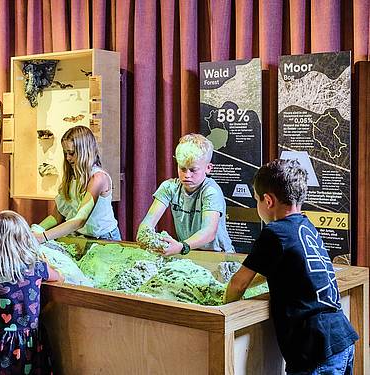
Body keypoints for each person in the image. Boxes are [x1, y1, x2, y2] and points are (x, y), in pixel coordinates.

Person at [225, 159, 358, 374]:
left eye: (256, 200)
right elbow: (273, 269)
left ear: (267, 201)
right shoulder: (306, 227)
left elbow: (238, 284)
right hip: (339, 336)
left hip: (313, 348)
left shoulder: (274, 232)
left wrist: (223, 308)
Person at [0, 210, 63, 374]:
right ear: (24, 239)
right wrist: (45, 261)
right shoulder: (36, 267)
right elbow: (59, 277)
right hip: (29, 344)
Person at [137, 133, 233, 255]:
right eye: (182, 169)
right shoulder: (169, 187)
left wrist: (182, 246)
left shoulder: (211, 191)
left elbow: (209, 232)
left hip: (217, 254)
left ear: (208, 168)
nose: (187, 175)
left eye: (193, 170)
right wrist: (144, 234)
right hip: (188, 252)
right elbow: (148, 222)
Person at [34, 125, 121, 243]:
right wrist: (36, 229)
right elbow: (57, 216)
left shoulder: (98, 178)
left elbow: (80, 220)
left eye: (71, 153)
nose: (68, 158)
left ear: (85, 151)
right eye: (65, 153)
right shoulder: (71, 177)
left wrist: (42, 237)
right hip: (80, 237)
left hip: (104, 239)